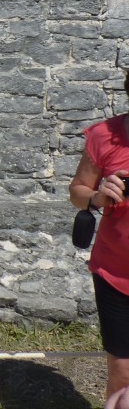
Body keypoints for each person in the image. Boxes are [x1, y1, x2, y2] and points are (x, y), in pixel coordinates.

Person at [70, 74, 129, 400]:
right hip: (115, 274)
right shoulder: (104, 136)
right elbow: (77, 192)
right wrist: (97, 196)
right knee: (122, 375)